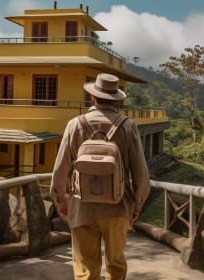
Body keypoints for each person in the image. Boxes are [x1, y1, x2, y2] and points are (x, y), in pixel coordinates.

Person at [50, 73, 150, 280]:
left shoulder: (75, 124)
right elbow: (140, 173)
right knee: (116, 265)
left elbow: (60, 169)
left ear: (92, 97)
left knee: (85, 270)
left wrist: (61, 199)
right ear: (117, 100)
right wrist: (137, 205)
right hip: (118, 207)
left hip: (81, 206)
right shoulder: (128, 126)